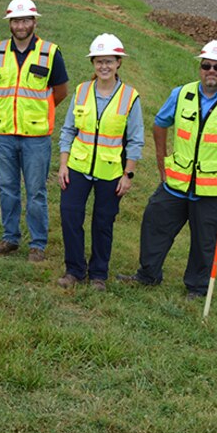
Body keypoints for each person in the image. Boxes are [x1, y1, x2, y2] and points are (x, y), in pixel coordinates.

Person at [118, 40, 217, 299]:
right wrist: (161, 160)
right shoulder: (182, 93)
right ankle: (147, 275)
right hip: (177, 182)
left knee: (205, 241)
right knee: (154, 222)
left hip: (215, 189)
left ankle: (196, 287)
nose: (211, 71)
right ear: (200, 67)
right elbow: (160, 124)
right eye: (206, 65)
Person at [56, 34, 143, 291]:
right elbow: (68, 130)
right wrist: (63, 164)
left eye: (109, 61)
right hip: (78, 167)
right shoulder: (82, 91)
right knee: (70, 216)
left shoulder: (130, 97)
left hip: (110, 172)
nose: (104, 66)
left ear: (118, 63)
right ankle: (74, 270)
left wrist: (128, 175)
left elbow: (136, 140)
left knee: (103, 222)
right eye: (99, 61)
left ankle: (98, 274)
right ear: (93, 63)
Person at [0, 0, 69, 262]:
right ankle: (10, 237)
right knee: (7, 188)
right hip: (3, 133)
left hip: (36, 136)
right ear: (10, 24)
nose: (21, 25)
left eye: (25, 20)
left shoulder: (50, 52)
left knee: (35, 191)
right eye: (15, 21)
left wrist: (39, 111)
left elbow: (60, 91)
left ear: (34, 22)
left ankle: (37, 243)